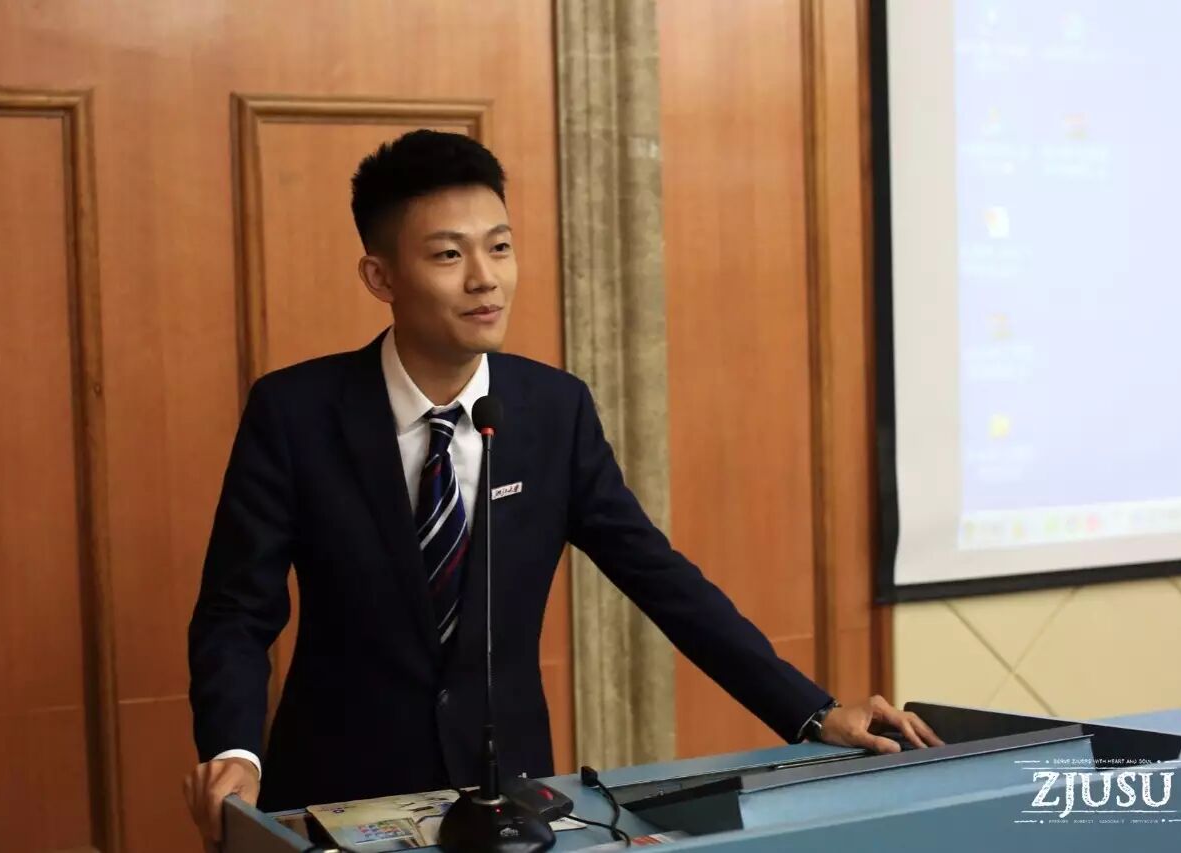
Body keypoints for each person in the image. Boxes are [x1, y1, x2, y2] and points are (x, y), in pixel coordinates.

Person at [183, 130, 941, 845]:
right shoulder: (296, 413)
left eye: (500, 247)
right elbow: (237, 608)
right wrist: (234, 751)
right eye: (448, 254)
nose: (485, 278)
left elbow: (659, 576)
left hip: (509, 799)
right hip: (336, 793)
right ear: (381, 277)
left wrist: (810, 710)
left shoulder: (553, 409)